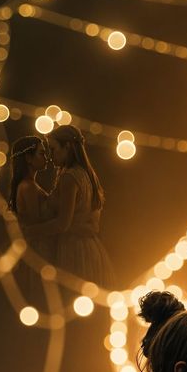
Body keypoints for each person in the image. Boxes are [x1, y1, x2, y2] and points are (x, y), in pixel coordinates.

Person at [43, 123, 116, 288]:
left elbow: (63, 223)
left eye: (53, 149)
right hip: (92, 248)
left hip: (73, 250)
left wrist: (28, 231)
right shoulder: (88, 175)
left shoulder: (70, 178)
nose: (50, 156)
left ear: (67, 147)